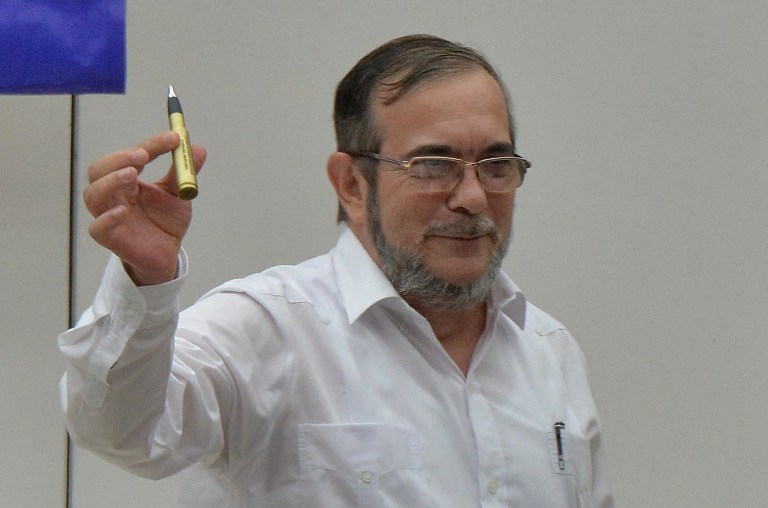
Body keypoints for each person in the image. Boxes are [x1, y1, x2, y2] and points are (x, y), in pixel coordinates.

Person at [60, 34, 614, 507]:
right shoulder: (266, 329)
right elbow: (120, 430)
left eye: (496, 165)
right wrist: (145, 283)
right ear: (352, 184)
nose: (472, 197)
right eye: (433, 165)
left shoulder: (549, 349)